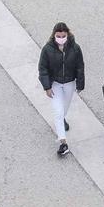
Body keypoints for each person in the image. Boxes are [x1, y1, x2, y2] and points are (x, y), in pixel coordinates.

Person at [37, 23, 84, 159]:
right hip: (56, 84)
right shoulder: (47, 49)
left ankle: (62, 120)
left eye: (63, 36)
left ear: (68, 35)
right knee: (58, 111)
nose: (61, 38)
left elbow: (80, 67)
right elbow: (43, 68)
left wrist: (80, 84)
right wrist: (47, 86)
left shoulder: (75, 49)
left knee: (64, 109)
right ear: (54, 35)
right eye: (58, 36)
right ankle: (63, 142)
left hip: (69, 83)